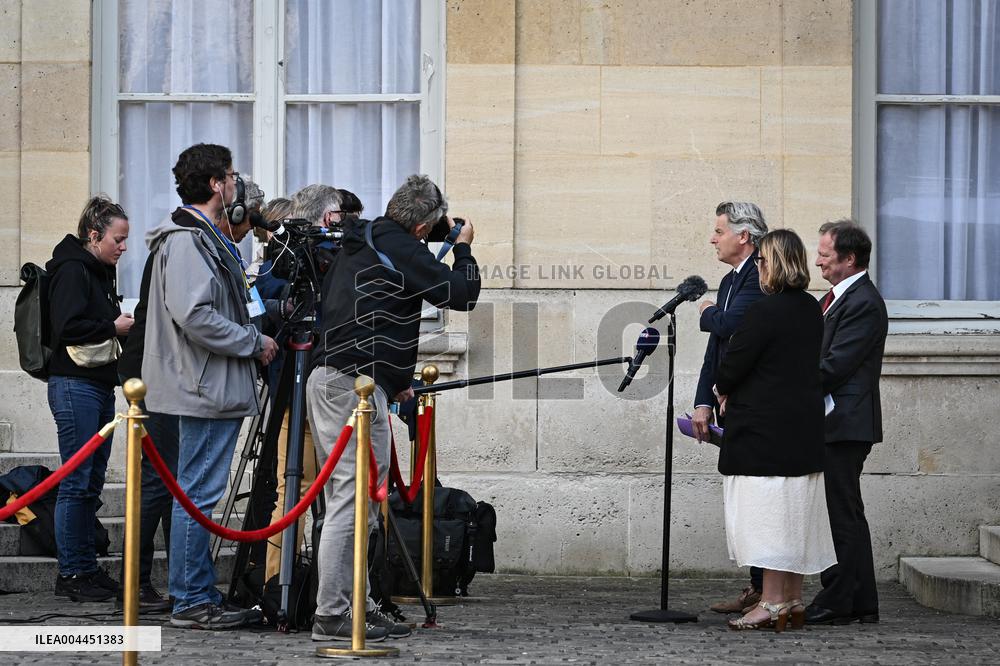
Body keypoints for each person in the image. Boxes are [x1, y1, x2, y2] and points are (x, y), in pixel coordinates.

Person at [307, 174, 480, 642]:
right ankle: (332, 614)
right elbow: (462, 294)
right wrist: (462, 247)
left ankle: (354, 605)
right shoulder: (401, 245)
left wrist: (394, 380)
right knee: (350, 501)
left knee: (359, 503)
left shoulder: (367, 236)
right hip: (350, 388)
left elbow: (370, 309)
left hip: (348, 381)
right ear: (422, 228)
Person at [143, 143, 278, 629]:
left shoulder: (202, 237)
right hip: (200, 386)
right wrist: (250, 341)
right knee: (197, 495)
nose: (236, 183)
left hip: (208, 384)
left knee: (197, 493)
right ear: (217, 183)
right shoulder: (186, 240)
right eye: (232, 174)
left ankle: (195, 593)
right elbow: (195, 313)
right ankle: (191, 598)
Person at [714, 229, 837, 631]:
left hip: (764, 433)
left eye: (763, 260)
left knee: (768, 520)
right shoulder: (809, 308)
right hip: (800, 429)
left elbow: (735, 362)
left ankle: (769, 602)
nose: (759, 267)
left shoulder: (764, 311)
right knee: (795, 516)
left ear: (775, 264)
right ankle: (792, 601)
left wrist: (722, 389)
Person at [47, 195, 133, 602]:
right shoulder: (72, 269)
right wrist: (113, 326)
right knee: (76, 481)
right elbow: (67, 326)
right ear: (94, 235)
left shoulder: (98, 270)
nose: (123, 247)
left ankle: (86, 567)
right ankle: (72, 572)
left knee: (91, 482)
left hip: (96, 384)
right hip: (74, 384)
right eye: (118, 238)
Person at [805, 221, 888, 626]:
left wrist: (783, 387)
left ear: (849, 258)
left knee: (843, 513)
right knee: (840, 512)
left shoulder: (863, 302)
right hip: (833, 422)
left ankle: (841, 599)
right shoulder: (836, 298)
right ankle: (859, 601)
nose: (817, 259)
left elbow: (835, 365)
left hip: (845, 423)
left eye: (824, 253)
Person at [262, 183, 343, 584]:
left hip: (316, 382)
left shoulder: (303, 256)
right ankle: (280, 584)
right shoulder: (287, 258)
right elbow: (263, 299)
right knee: (292, 488)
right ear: (328, 218)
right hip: (305, 384)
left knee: (298, 490)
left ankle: (296, 583)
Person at [692, 201, 769, 614]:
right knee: (742, 496)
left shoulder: (759, 277)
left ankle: (767, 589)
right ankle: (757, 584)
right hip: (728, 404)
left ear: (744, 236)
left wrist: (706, 310)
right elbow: (714, 350)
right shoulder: (728, 280)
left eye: (719, 231)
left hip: (755, 405)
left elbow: (726, 326)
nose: (712, 238)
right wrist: (703, 401)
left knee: (757, 497)